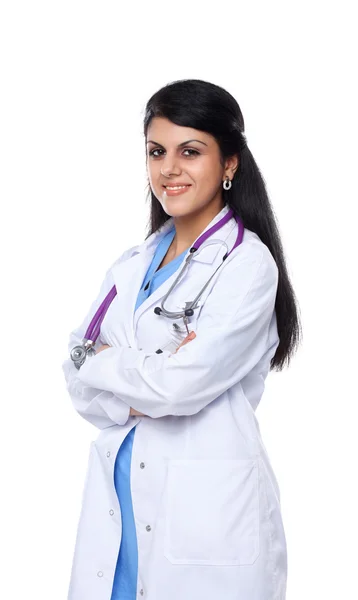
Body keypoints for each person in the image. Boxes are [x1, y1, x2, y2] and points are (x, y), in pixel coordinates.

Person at [62, 78, 301, 600]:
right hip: (120, 505)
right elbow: (76, 374)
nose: (169, 169)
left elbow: (179, 388)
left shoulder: (246, 265)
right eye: (156, 151)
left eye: (190, 151)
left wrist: (111, 366)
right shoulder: (132, 263)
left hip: (205, 523)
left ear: (230, 162)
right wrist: (140, 377)